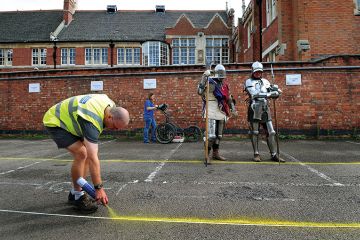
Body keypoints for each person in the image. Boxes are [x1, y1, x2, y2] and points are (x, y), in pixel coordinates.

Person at [43, 94, 130, 213]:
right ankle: (78, 196)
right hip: (56, 121)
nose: (115, 130)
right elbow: (93, 157)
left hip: (74, 119)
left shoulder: (110, 106)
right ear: (109, 117)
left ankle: (75, 192)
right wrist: (98, 188)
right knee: (82, 154)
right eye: (115, 127)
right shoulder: (92, 120)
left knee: (85, 153)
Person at [244, 61, 285, 162]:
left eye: (260, 72)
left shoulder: (266, 81)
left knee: (271, 132)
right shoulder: (249, 82)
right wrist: (270, 94)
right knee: (255, 132)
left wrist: (277, 91)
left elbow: (274, 92)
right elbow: (254, 94)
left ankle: (274, 154)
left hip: (266, 108)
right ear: (253, 72)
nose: (258, 73)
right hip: (255, 108)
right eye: (256, 72)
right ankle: (256, 154)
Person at [197, 64, 237, 162]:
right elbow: (199, 91)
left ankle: (216, 153)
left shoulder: (224, 85)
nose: (221, 78)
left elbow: (229, 98)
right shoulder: (210, 82)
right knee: (211, 136)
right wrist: (204, 77)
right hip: (211, 108)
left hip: (221, 109)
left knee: (219, 135)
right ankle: (207, 155)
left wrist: (233, 109)